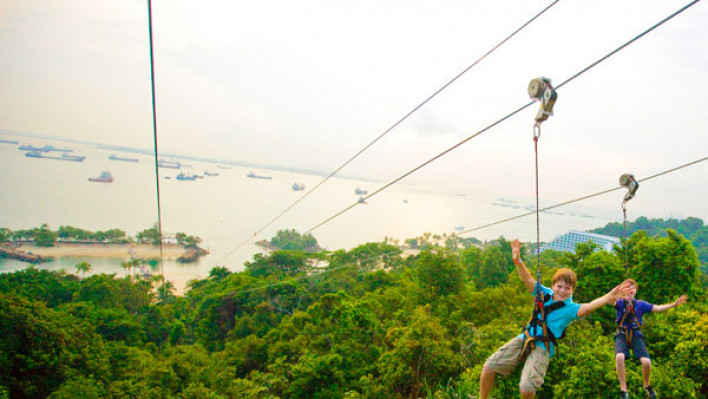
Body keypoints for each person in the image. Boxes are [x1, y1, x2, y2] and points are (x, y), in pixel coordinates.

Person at [479, 239, 633, 399]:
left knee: (526, 388)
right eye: (559, 286)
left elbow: (589, 306)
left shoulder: (570, 308)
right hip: (526, 337)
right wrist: (518, 261)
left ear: (573, 290)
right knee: (490, 366)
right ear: (552, 285)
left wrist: (609, 296)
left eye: (567, 288)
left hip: (543, 346)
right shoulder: (543, 294)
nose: (562, 291)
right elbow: (527, 279)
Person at [613, 278, 688, 399]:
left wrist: (674, 304)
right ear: (623, 291)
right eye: (627, 288)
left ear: (636, 291)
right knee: (619, 357)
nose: (630, 290)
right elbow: (610, 301)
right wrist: (616, 293)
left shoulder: (641, 304)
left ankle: (646, 385)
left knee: (647, 362)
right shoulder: (620, 302)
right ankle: (624, 390)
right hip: (621, 333)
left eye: (632, 287)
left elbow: (657, 308)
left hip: (636, 334)